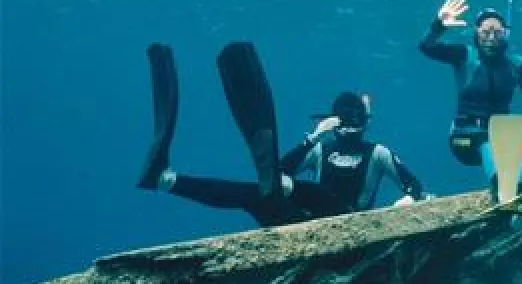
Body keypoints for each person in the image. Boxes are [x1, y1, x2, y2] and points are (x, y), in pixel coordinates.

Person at [136, 42, 426, 228]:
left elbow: (413, 185)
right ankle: (168, 180)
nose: (349, 126)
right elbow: (276, 176)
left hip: (350, 222)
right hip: (304, 221)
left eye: (355, 119)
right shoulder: (319, 150)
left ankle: (169, 181)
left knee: (306, 191)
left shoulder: (377, 153)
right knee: (257, 194)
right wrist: (312, 138)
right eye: (343, 119)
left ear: (365, 122)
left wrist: (408, 202)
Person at [418, 0, 522, 199]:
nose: (491, 38)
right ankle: (504, 188)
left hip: (498, 137)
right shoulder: (463, 55)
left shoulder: (518, 64)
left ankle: (521, 192)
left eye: (497, 32)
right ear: (476, 34)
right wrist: (438, 25)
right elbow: (426, 46)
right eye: (486, 32)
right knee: (487, 140)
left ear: (506, 35)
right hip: (464, 138)